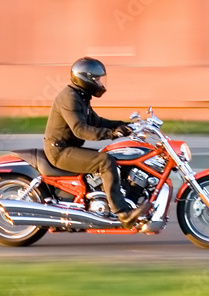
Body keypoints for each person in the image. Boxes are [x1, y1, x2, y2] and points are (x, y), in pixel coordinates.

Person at [44, 57, 152, 228]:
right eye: (97, 79)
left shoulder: (80, 96)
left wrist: (125, 125)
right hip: (60, 151)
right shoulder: (69, 98)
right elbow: (80, 129)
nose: (100, 83)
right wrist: (112, 134)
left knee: (113, 156)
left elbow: (97, 121)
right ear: (85, 78)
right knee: (105, 162)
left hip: (69, 148)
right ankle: (123, 213)